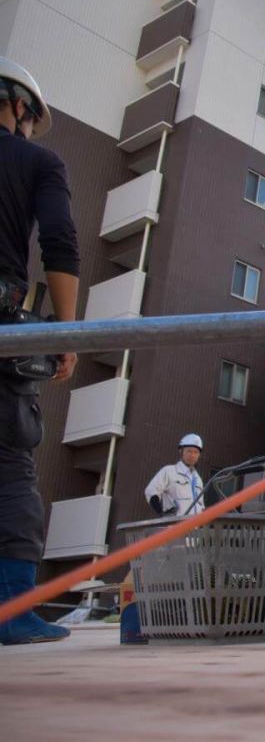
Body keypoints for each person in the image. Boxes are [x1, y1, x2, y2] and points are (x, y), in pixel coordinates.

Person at [0, 58, 79, 646]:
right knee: (10, 470)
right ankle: (13, 610)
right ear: (18, 105)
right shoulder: (35, 161)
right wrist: (63, 336)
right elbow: (59, 242)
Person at [144, 434, 207, 517]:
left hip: (196, 527)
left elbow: (201, 506)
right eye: (189, 451)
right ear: (181, 452)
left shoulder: (198, 479)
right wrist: (161, 513)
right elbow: (151, 491)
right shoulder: (169, 471)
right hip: (175, 525)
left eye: (196, 452)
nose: (192, 455)